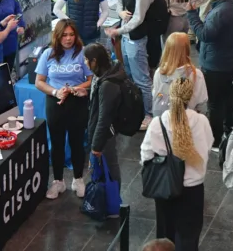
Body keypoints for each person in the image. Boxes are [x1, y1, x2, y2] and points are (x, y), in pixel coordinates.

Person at [141, 77, 213, 251]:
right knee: (189, 237)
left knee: (166, 237)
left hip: (165, 188)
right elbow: (208, 145)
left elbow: (145, 155)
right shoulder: (201, 121)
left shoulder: (158, 123)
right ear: (191, 96)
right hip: (193, 188)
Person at [186, 0, 233, 149]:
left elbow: (204, 35)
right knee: (226, 94)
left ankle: (215, 139)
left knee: (214, 103)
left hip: (215, 64)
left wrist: (192, 14)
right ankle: (230, 125)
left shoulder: (220, 12)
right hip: (230, 60)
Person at [35, 20, 92, 199]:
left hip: (77, 102)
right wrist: (56, 91)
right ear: (58, 36)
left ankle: (78, 179)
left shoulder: (83, 53)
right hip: (55, 102)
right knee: (57, 143)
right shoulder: (48, 54)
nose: (68, 39)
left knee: (77, 142)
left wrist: (73, 89)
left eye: (71, 35)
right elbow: (39, 81)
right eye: (65, 35)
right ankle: (58, 181)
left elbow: (92, 79)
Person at [105, 0, 155, 129]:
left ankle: (149, 115)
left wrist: (118, 31)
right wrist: (119, 13)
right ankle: (137, 108)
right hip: (126, 38)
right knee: (130, 75)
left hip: (136, 39)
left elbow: (138, 18)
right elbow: (119, 0)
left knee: (142, 78)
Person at [84, 43, 124, 190]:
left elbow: (104, 118)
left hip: (105, 134)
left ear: (94, 61)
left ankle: (113, 205)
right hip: (102, 131)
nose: (84, 63)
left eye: (86, 59)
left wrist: (96, 146)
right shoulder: (103, 74)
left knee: (111, 166)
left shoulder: (108, 84)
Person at [152, 32, 208, 117]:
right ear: (187, 49)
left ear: (167, 49)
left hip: (165, 120)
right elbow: (202, 105)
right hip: (189, 120)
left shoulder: (159, 73)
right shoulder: (196, 75)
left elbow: (156, 95)